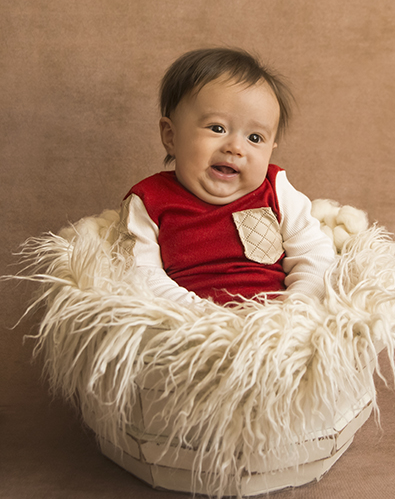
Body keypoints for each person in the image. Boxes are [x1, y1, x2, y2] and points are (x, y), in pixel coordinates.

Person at [122, 48, 336, 306]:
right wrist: (204, 318)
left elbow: (314, 254)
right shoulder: (149, 200)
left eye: (254, 138)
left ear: (270, 151)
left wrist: (294, 311)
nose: (236, 147)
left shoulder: (276, 189)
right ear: (171, 136)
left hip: (277, 325)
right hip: (193, 328)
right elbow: (143, 275)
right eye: (217, 128)